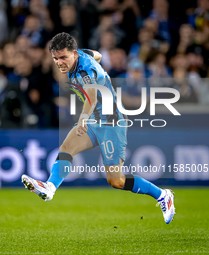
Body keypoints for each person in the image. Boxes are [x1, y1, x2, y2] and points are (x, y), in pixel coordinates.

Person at [21, 32, 176, 224]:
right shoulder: (82, 55)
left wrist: (83, 118)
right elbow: (98, 55)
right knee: (66, 148)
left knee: (116, 181)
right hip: (95, 120)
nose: (59, 62)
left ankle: (163, 195)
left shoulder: (84, 72)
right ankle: (50, 188)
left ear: (74, 54)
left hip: (111, 122)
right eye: (55, 58)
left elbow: (92, 97)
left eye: (63, 57)